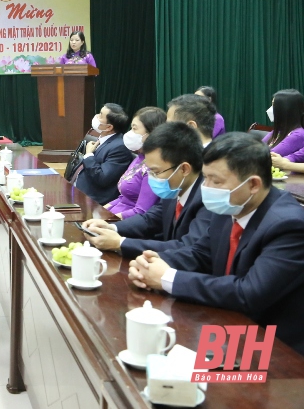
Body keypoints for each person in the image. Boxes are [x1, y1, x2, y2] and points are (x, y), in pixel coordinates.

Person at [128, 133, 304, 355]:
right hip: (225, 324)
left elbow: (249, 293)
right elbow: (200, 254)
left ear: (253, 184)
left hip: (273, 348)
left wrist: (167, 278)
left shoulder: (289, 225)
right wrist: (150, 264)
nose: (206, 188)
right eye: (205, 177)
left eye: (216, 181)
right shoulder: (230, 205)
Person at [84, 122, 212, 258]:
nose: (151, 177)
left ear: (184, 169)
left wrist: (120, 243)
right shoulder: (176, 186)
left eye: (156, 172)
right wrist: (112, 227)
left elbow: (188, 248)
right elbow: (151, 219)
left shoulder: (207, 199)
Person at [105, 107, 167, 219]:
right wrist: (100, 211)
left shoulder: (153, 167)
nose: (130, 133)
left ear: (152, 133)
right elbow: (123, 198)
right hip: (116, 214)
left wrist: (107, 221)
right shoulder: (140, 157)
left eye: (135, 129)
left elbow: (141, 211)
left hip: (128, 223)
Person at [74, 103, 133, 205]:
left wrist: (88, 155)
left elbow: (102, 178)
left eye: (101, 115)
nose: (96, 116)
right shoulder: (101, 137)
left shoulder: (119, 148)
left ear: (109, 127)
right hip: (77, 187)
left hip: (91, 199)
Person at [262, 89, 304, 160]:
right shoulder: (279, 130)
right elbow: (258, 147)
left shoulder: (298, 135)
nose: (270, 109)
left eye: (274, 105)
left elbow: (266, 156)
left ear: (285, 109)